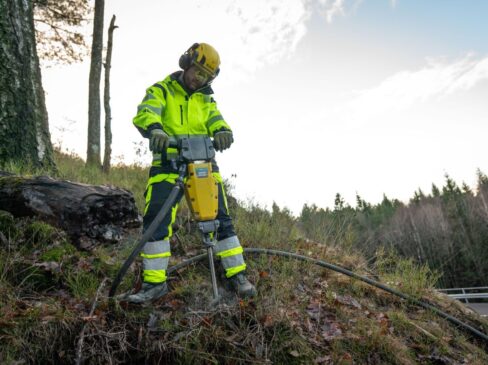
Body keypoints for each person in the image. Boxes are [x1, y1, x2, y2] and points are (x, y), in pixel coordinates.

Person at [127, 43, 256, 303]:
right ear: (186, 63)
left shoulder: (206, 98)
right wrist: (155, 129)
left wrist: (223, 132)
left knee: (220, 219)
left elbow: (215, 119)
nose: (200, 79)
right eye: (197, 72)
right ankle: (154, 284)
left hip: (203, 165)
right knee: (156, 221)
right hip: (168, 164)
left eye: (206, 76)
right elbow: (146, 112)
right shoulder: (161, 90)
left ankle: (237, 276)